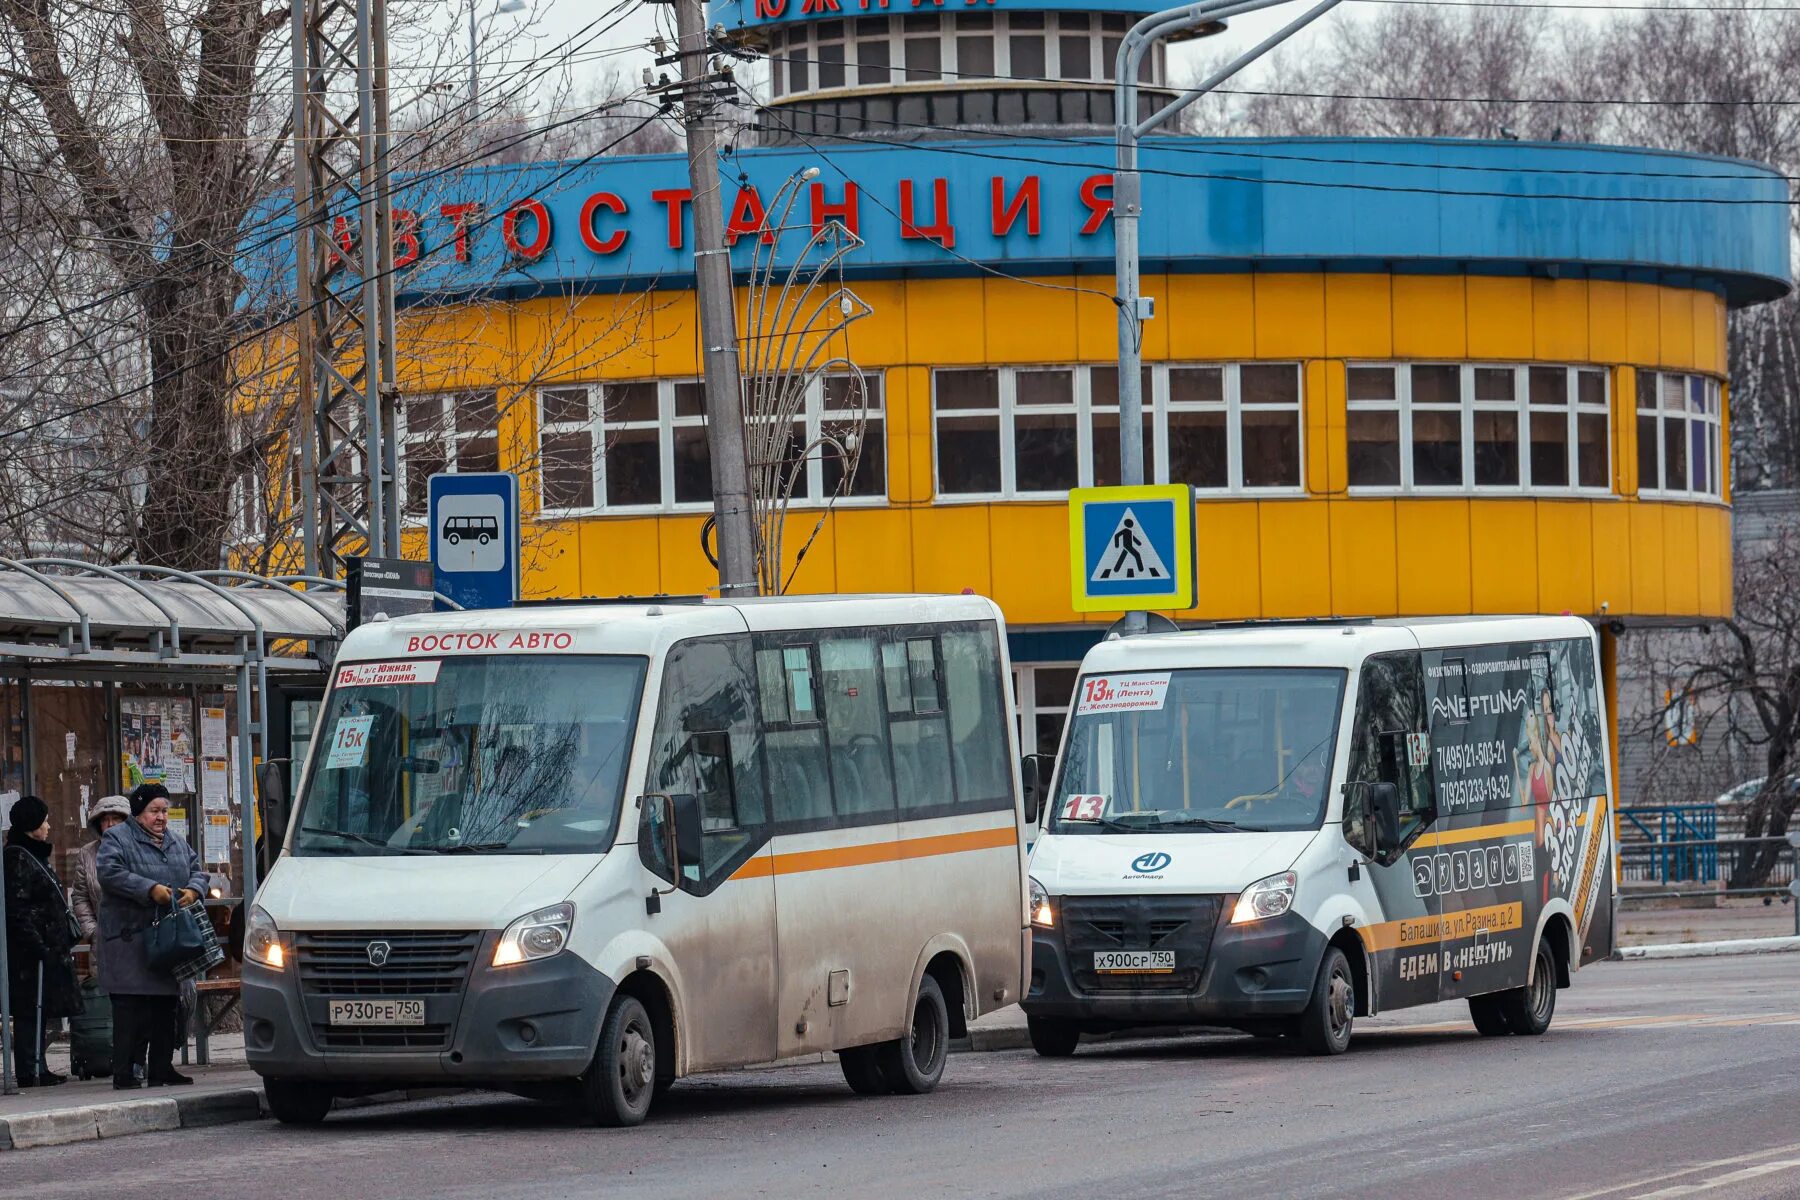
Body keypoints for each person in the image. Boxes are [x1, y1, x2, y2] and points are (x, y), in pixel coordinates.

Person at [97, 783, 207, 1089]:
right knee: (131, 1010)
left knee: (163, 1006)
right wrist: (149, 889)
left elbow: (198, 869)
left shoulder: (175, 841)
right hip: (128, 939)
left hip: (166, 940)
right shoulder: (116, 838)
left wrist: (194, 889)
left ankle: (161, 1068)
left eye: (164, 811)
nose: (161, 818)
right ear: (138, 812)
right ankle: (126, 1071)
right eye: (154, 811)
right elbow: (109, 873)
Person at [3, 795, 81, 1087]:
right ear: (32, 826)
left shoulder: (32, 854)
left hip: (43, 946)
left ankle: (38, 1064)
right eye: (45, 821)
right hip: (30, 952)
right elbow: (18, 908)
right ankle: (28, 1068)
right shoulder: (18, 857)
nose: (49, 826)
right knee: (29, 1009)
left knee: (41, 1007)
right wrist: (39, 946)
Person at [71, 794, 132, 976]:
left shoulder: (141, 849)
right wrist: (92, 931)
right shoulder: (87, 853)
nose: (111, 824)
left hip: (140, 940)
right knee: (111, 999)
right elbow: (80, 896)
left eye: (116, 819)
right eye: (106, 820)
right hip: (105, 942)